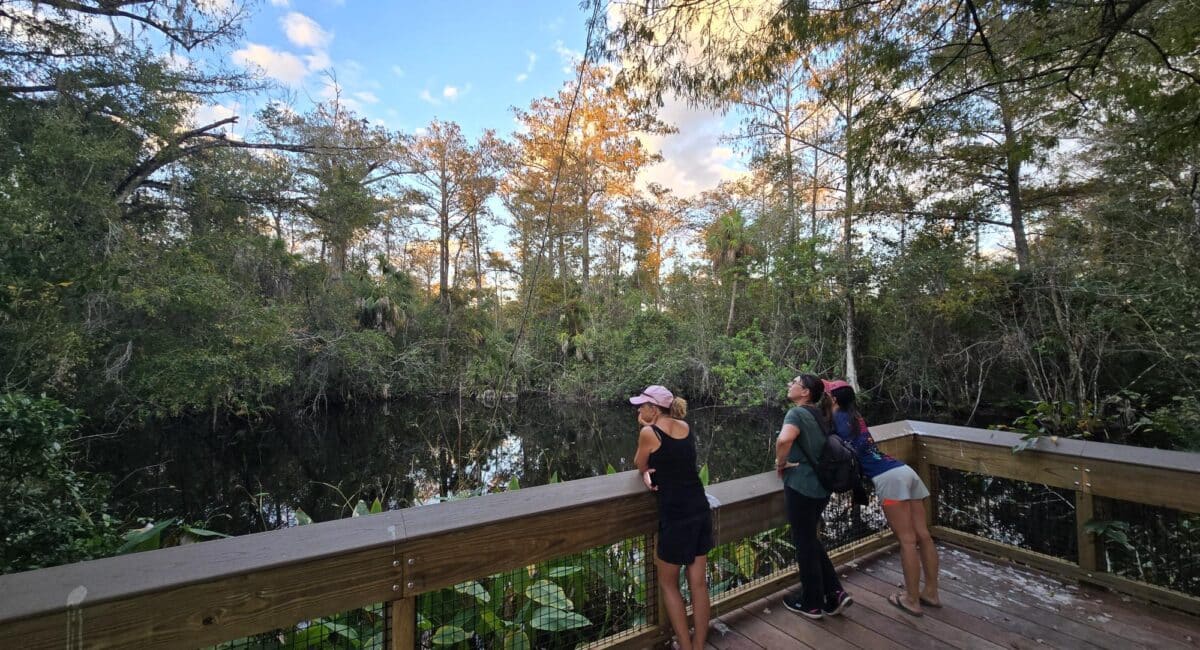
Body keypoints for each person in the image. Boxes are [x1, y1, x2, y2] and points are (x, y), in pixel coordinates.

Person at [827, 380, 940, 617]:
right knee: (923, 535)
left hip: (889, 481)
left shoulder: (836, 418)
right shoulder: (855, 416)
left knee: (907, 540)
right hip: (905, 472)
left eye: (827, 394)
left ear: (834, 400)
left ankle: (911, 600)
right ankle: (930, 592)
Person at [632, 385, 712, 650]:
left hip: (675, 513)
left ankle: (686, 647)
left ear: (653, 409)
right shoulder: (685, 426)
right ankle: (699, 646)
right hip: (699, 507)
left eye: (643, 405)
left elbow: (640, 463)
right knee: (698, 585)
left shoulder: (648, 432)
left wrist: (644, 427)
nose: (639, 410)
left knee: (668, 584)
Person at [774, 374, 853, 619]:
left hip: (802, 486)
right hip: (821, 487)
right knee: (809, 539)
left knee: (804, 544)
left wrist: (780, 463)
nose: (789, 384)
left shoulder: (796, 413)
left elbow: (784, 439)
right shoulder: (819, 413)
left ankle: (812, 603)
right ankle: (835, 592)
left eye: (794, 382)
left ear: (805, 392)